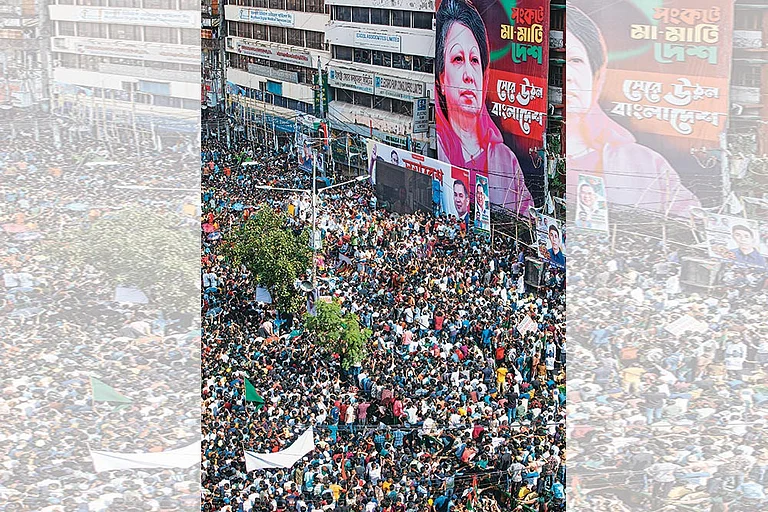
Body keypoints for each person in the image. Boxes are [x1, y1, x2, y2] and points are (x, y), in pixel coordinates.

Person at [565, 5, 701, 217]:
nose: (566, 75)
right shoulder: (509, 158)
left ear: (597, 76)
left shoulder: (644, 164)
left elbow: (692, 225)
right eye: (554, 61)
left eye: (575, 60)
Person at [434, 0, 534, 217]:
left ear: (484, 76)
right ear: (442, 78)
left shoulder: (505, 159)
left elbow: (527, 218)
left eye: (475, 60)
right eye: (458, 59)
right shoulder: (438, 147)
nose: (469, 75)